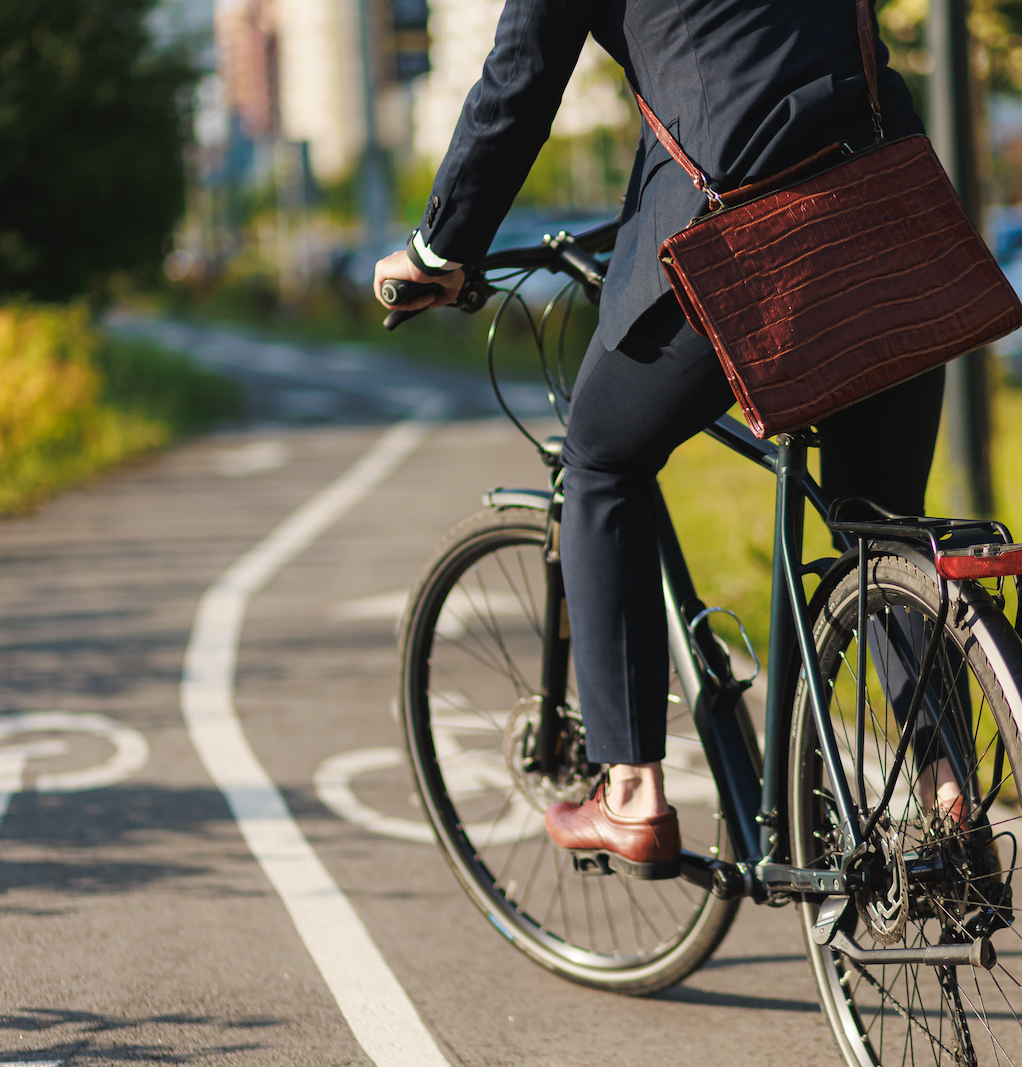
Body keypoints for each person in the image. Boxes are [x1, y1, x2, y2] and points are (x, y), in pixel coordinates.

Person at [374, 0, 946, 874]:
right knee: (881, 530)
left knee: (601, 458)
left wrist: (438, 248)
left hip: (741, 228)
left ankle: (633, 791)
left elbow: (518, 84)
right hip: (888, 204)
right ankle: (949, 792)